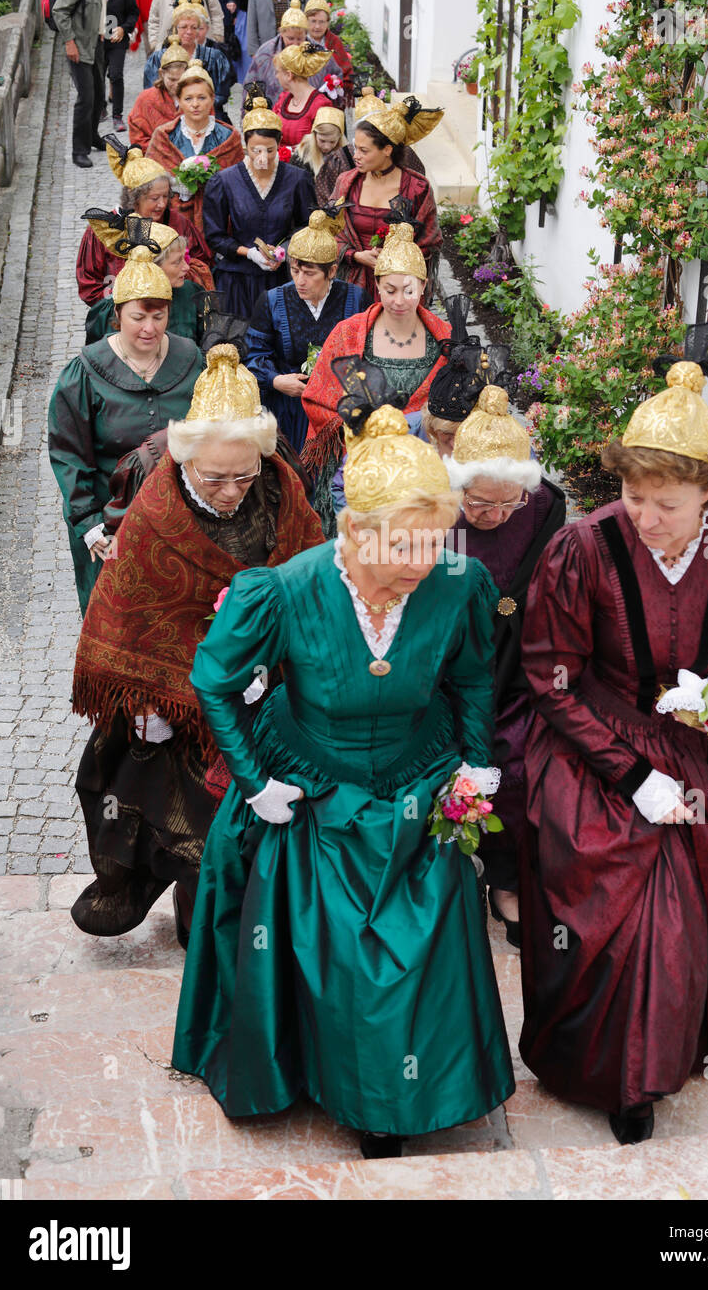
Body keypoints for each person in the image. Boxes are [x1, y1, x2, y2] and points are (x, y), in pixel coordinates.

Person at [171, 359, 514, 1155]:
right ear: (354, 530)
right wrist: (256, 786)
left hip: (415, 775)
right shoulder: (283, 591)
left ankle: (409, 1095)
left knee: (419, 944)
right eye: (404, 548)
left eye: (434, 545)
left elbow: (468, 676)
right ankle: (337, 1086)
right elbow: (215, 683)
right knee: (339, 953)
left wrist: (476, 762)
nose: (421, 566)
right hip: (313, 787)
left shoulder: (461, 582)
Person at [517, 362, 708, 1145]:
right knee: (620, 900)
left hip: (696, 746)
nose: (643, 515)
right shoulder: (584, 548)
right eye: (633, 494)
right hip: (598, 744)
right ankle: (618, 1080)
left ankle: (672, 1054)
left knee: (699, 911)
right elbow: (550, 675)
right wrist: (635, 776)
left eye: (666, 503)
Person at [69, 323, 322, 943]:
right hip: (174, 699)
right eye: (216, 479)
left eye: (244, 476)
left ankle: (266, 920)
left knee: (268, 816)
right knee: (190, 824)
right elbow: (127, 610)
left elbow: (310, 569)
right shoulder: (154, 512)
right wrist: (150, 703)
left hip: (267, 686)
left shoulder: (280, 488)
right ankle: (201, 928)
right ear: (186, 461)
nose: (233, 491)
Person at [439, 366, 565, 947]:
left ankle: (509, 881)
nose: (492, 515)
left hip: (521, 656)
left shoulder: (544, 508)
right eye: (479, 503)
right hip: (450, 654)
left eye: (506, 504)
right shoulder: (434, 515)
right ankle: (444, 880)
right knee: (448, 767)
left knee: (517, 767)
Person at [48, 230, 205, 614]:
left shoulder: (192, 359)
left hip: (180, 521)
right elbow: (69, 454)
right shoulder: (84, 372)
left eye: (159, 315)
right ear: (117, 316)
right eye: (138, 317)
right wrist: (88, 523)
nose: (149, 328)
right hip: (110, 523)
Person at [301, 222, 451, 534]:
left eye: (408, 291)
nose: (399, 301)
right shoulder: (348, 334)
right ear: (377, 286)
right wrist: (360, 427)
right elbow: (319, 395)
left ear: (423, 287)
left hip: (422, 471)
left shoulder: (446, 340)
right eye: (390, 290)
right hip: (358, 466)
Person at [246, 208, 370, 451]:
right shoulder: (272, 300)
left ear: (331, 271)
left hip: (339, 409)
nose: (300, 280)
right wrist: (276, 380)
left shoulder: (356, 299)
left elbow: (369, 355)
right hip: (288, 409)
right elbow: (255, 356)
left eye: (309, 273)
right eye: (294, 270)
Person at [202, 97, 316, 317]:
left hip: (283, 277)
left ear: (280, 144)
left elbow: (307, 225)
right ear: (245, 145)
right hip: (238, 280)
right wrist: (249, 253)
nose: (263, 158)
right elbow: (214, 236)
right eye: (256, 151)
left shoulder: (298, 178)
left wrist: (285, 250)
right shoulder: (224, 181)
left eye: (270, 151)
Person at [333, 97, 443, 300]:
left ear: (387, 150)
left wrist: (395, 258)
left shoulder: (417, 188)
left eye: (364, 150)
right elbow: (329, 233)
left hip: (399, 290)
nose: (355, 155)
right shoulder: (346, 184)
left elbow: (431, 242)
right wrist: (356, 256)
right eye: (355, 148)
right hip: (352, 287)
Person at [76, 139, 213, 300]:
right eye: (154, 198)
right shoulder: (105, 230)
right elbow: (89, 283)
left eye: (165, 196)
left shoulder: (177, 222)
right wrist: (124, 305)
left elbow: (203, 261)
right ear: (134, 197)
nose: (162, 204)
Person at [146, 59, 244, 235]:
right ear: (179, 100)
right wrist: (177, 184)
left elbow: (239, 184)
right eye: (188, 98)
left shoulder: (229, 137)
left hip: (218, 219)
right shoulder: (164, 136)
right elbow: (148, 180)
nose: (195, 104)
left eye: (202, 97)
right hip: (173, 221)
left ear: (212, 99)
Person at [83, 216, 204, 343]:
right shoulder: (115, 307)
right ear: (152, 266)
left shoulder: (191, 293)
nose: (186, 267)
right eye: (176, 262)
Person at [54, 0, 119, 169]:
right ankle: (78, 150)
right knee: (86, 99)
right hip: (79, 47)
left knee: (99, 95)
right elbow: (60, 10)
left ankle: (92, 136)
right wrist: (70, 42)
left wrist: (102, 33)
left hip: (95, 45)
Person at [142, 0, 233, 120]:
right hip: (167, 116)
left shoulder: (215, 57)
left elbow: (222, 93)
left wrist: (197, 106)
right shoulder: (158, 58)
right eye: (183, 27)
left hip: (208, 115)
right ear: (175, 29)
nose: (189, 32)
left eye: (193, 27)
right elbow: (151, 93)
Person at [244, 0, 342, 107]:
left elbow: (336, 77)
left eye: (300, 39)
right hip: (273, 115)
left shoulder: (318, 53)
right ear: (281, 32)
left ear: (306, 34)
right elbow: (251, 85)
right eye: (290, 38)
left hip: (311, 114)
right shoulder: (266, 53)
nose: (295, 44)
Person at [101, 0, 139, 132]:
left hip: (117, 40)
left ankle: (117, 116)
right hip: (97, 39)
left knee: (116, 75)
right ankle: (100, 109)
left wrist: (124, 29)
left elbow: (133, 13)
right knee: (96, 76)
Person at [272, 40, 332, 147]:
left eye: (278, 72)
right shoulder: (284, 98)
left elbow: (324, 147)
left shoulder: (320, 105)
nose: (276, 76)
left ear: (289, 75)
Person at [128, 39, 186, 150]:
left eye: (181, 79)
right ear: (161, 74)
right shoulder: (146, 99)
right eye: (172, 79)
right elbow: (137, 136)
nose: (176, 85)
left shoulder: (196, 97)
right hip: (155, 158)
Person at [305, 0, 353, 104]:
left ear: (327, 23)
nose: (317, 26)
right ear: (305, 21)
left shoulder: (334, 42)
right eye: (313, 21)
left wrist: (336, 84)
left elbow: (346, 72)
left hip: (330, 98)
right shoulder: (300, 41)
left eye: (321, 22)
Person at [291, 104, 344, 194]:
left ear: (340, 139)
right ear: (314, 135)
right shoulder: (301, 156)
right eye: (322, 141)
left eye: (332, 142)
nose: (327, 147)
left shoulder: (345, 155)